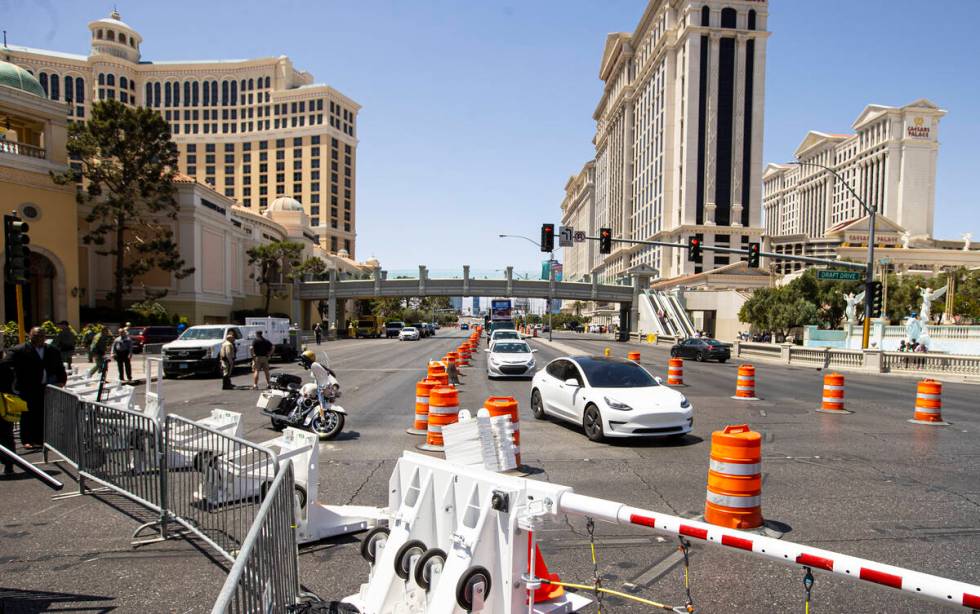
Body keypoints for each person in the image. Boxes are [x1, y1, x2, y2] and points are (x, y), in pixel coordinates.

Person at [10, 327, 67, 448]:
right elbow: (7, 366)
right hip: (27, 389)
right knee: (27, 415)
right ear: (30, 336)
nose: (39, 338)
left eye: (42, 335)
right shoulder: (19, 350)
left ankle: (40, 439)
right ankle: (27, 440)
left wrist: (62, 381)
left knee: (43, 414)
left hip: (46, 388)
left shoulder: (52, 350)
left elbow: (59, 367)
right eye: (36, 335)